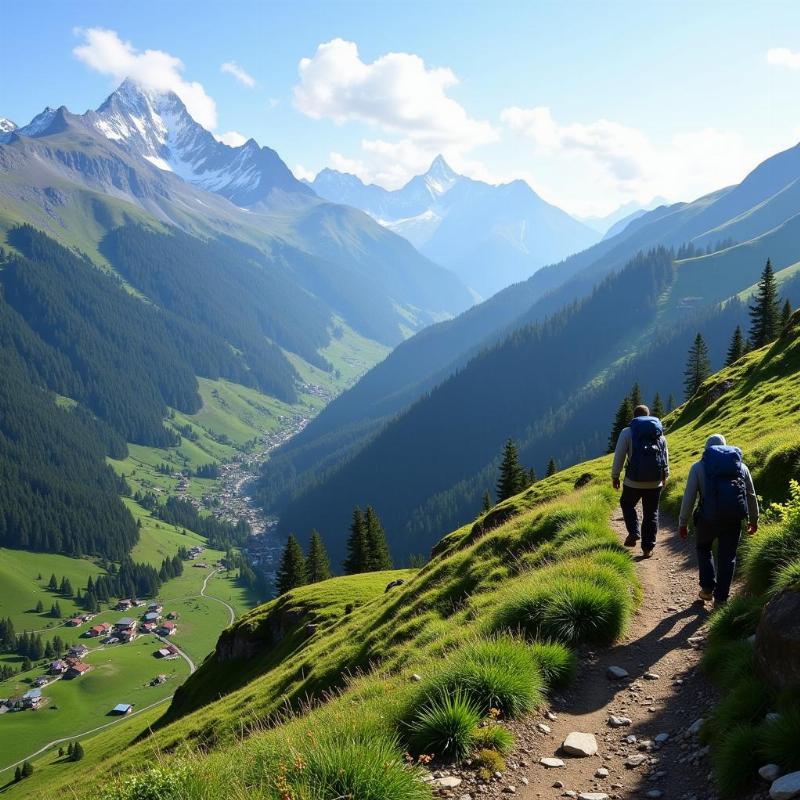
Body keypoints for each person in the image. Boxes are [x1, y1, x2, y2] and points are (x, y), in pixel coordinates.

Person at [678, 434, 758, 606]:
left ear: (707, 449)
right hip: (733, 519)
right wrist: (754, 519)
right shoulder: (740, 467)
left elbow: (689, 497)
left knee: (703, 548)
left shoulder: (698, 467)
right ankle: (721, 598)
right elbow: (750, 495)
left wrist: (683, 523)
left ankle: (707, 588)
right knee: (728, 556)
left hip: (707, 519)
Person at [611, 404, 669, 558]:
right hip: (655, 482)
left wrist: (615, 476)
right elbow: (664, 456)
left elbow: (619, 456)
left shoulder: (627, 432)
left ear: (634, 417)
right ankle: (647, 548)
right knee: (651, 513)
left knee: (627, 503)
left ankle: (634, 532)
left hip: (633, 481)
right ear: (648, 415)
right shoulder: (658, 433)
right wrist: (665, 476)